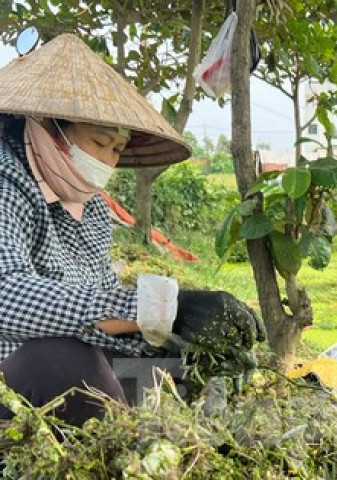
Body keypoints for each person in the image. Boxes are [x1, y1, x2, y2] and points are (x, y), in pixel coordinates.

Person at [0, 33, 264, 428]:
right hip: (18, 377)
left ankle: (146, 437)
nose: (107, 159)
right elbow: (7, 295)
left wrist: (175, 326)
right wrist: (158, 307)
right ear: (48, 128)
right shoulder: (6, 181)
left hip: (87, 368)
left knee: (180, 367)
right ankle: (114, 447)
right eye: (99, 143)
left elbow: (102, 300)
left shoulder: (88, 207)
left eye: (116, 150)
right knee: (61, 359)